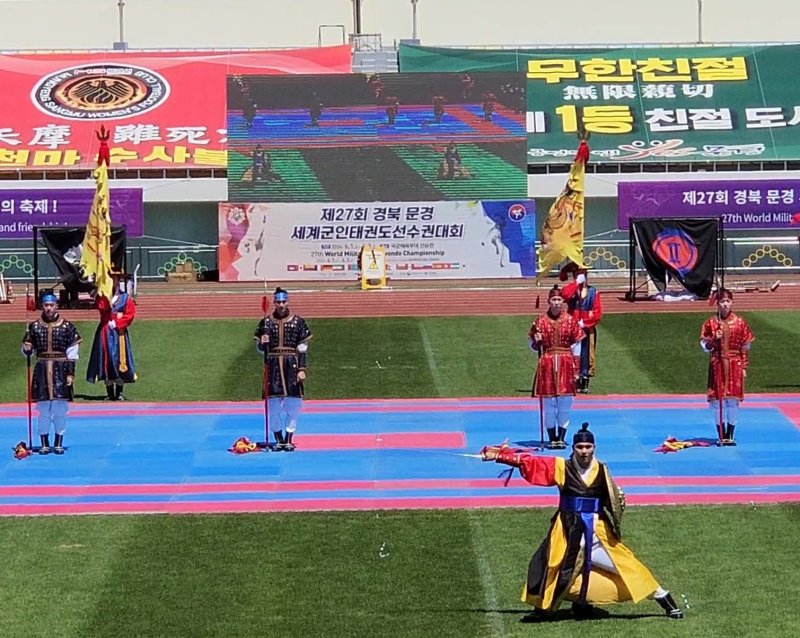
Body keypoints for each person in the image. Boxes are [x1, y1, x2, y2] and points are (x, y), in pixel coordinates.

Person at [481, 423, 685, 621]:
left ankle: (664, 599)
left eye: (588, 447)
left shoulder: (602, 470)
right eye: (580, 447)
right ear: (573, 448)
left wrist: (619, 497)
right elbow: (532, 463)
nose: (584, 451)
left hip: (597, 533)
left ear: (594, 447)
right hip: (567, 530)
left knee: (627, 565)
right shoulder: (562, 467)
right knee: (550, 565)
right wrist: (500, 456)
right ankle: (545, 608)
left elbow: (612, 498)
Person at [21, 290, 81, 454]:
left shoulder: (67, 327)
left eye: (51, 305)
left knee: (60, 409)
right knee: (43, 409)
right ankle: (44, 443)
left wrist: (70, 373)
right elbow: (28, 350)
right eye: (46, 305)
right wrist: (26, 349)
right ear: (42, 306)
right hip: (41, 370)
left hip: (60, 371)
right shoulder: (34, 327)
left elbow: (72, 353)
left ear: (56, 306)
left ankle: (58, 442)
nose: (48, 308)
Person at [254, 287, 312, 451]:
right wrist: (262, 342)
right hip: (273, 367)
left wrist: (302, 369)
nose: (281, 305)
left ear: (287, 301)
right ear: (274, 302)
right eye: (278, 302)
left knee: (294, 405)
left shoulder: (298, 322)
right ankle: (278, 439)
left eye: (283, 301)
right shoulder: (265, 323)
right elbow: (259, 349)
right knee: (273, 408)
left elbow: (302, 347)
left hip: (291, 366)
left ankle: (288, 438)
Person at [529, 285, 585, 449]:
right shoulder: (540, 322)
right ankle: (551, 437)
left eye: (559, 300)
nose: (556, 303)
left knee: (564, 403)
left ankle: (561, 436)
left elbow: (577, 346)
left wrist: (576, 369)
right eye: (553, 300)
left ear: (563, 301)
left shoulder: (570, 321)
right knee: (548, 405)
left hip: (566, 363)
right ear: (548, 301)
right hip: (547, 362)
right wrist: (536, 341)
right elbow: (532, 346)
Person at [700, 288, 754, 446]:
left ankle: (730, 433)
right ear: (717, 304)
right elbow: (704, 346)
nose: (725, 304)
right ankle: (720, 433)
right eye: (722, 302)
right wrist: (713, 340)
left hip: (734, 363)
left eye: (728, 301)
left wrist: (744, 366)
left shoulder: (740, 322)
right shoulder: (711, 323)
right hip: (717, 363)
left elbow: (745, 346)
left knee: (732, 400)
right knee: (717, 400)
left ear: (732, 302)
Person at [86, 270, 137, 401]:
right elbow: (101, 307)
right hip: (105, 331)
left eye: (114, 279)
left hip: (119, 332)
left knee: (120, 358)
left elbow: (130, 314)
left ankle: (119, 392)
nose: (112, 281)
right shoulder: (102, 296)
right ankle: (109, 392)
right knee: (106, 358)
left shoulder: (125, 297)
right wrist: (103, 293)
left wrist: (119, 322)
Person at [561, 263, 603, 394]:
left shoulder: (593, 292)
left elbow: (597, 312)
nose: (582, 276)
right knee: (571, 353)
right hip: (571, 327)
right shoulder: (572, 290)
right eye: (579, 273)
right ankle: (570, 379)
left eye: (583, 273)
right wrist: (575, 283)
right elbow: (565, 295)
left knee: (586, 354)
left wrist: (584, 323)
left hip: (586, 328)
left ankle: (584, 379)